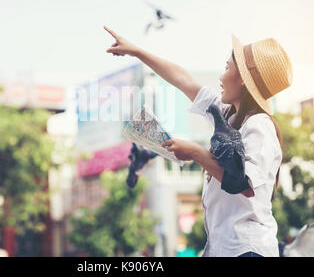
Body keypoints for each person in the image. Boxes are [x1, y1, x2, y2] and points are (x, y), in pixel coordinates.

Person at [104, 25, 293, 257]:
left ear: (243, 80)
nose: (221, 77)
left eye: (227, 67)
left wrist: (196, 153)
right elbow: (183, 79)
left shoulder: (259, 125)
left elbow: (244, 184)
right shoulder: (226, 114)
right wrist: (137, 52)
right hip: (224, 248)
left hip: (247, 249)